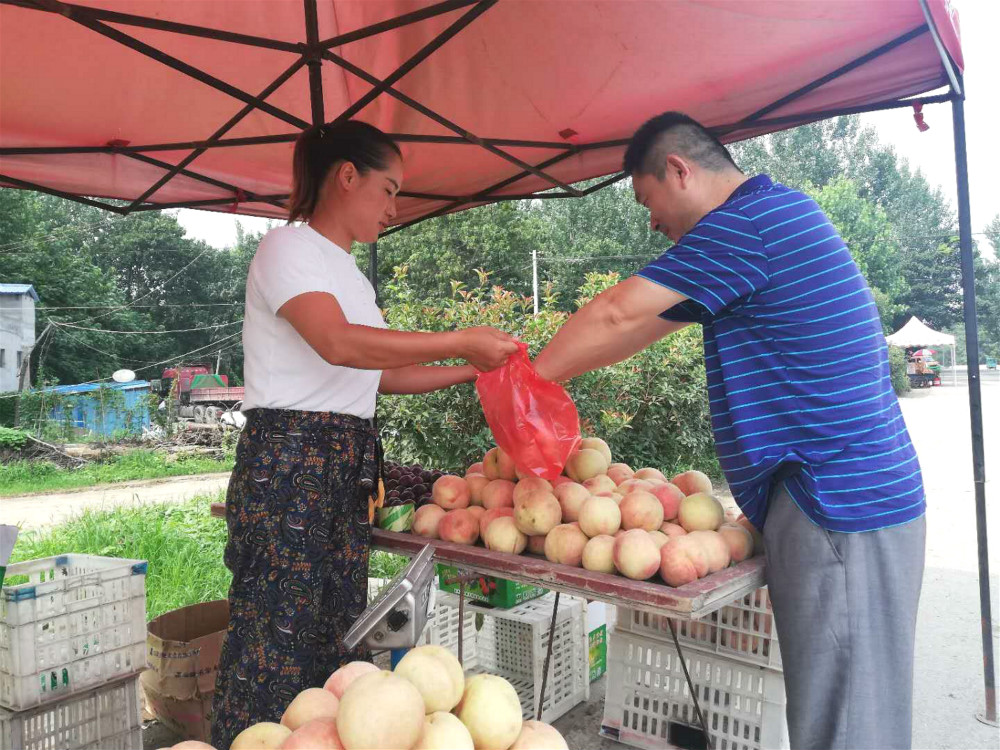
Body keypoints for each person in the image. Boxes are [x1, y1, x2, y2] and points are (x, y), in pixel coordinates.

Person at [534, 112, 925, 750]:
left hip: (842, 509)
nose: (652, 222)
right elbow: (637, 329)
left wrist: (524, 380)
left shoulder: (745, 226)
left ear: (680, 170)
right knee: (846, 717)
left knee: (849, 728)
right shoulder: (764, 224)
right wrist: (545, 380)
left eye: (647, 201)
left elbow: (614, 311)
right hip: (847, 506)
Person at [211, 120, 518, 749]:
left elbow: (382, 374)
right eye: (388, 188)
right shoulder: (287, 249)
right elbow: (340, 343)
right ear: (346, 175)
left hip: (345, 461)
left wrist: (478, 366)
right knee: (275, 636)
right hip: (290, 460)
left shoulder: (350, 276)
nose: (392, 207)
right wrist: (462, 336)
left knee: (335, 639)